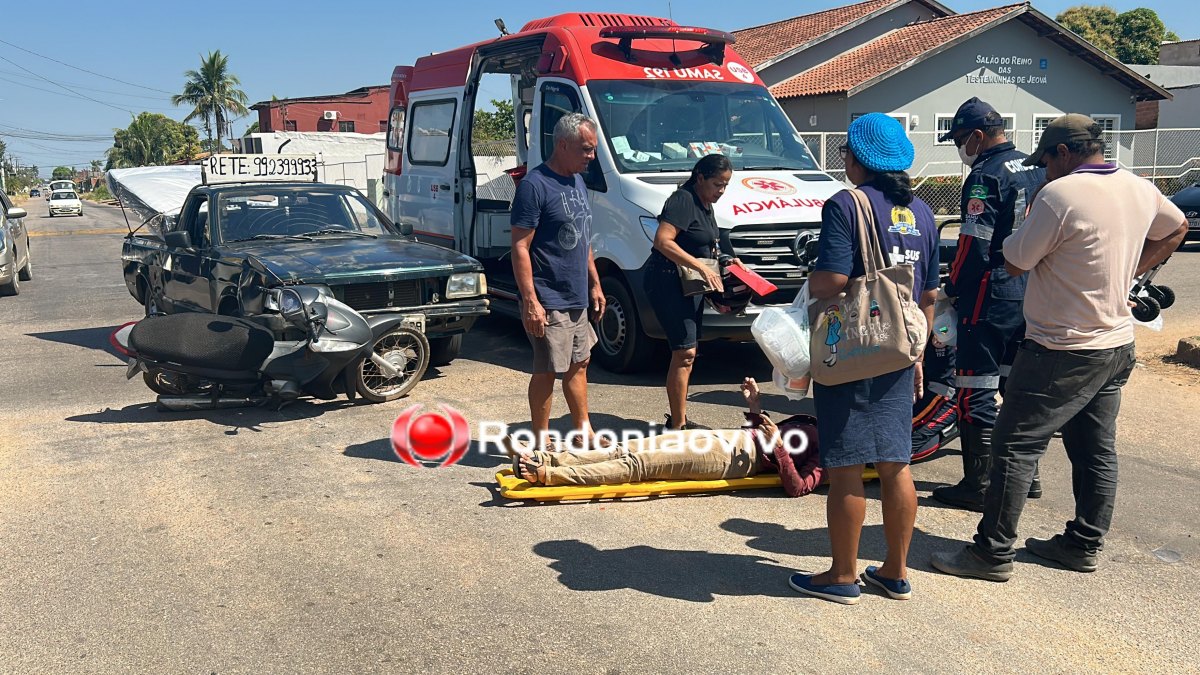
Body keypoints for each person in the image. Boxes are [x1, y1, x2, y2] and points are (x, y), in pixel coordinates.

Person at [931, 114, 1188, 581]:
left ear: (1065, 153)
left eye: (1046, 160)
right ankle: (1082, 544)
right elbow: (1175, 229)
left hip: (1059, 347)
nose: (1043, 170)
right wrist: (1132, 274)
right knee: (1095, 449)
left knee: (1013, 445)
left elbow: (1014, 258)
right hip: (1115, 343)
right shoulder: (1138, 186)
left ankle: (991, 553)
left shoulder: (1060, 194)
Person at [788, 113, 938, 605]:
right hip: (900, 350)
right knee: (896, 463)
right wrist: (916, 350)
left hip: (852, 350)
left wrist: (807, 285)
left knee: (848, 466)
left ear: (856, 158)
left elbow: (831, 282)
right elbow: (929, 293)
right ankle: (895, 571)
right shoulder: (922, 211)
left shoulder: (845, 205)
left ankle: (843, 575)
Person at [934, 97, 1047, 511]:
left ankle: (978, 484)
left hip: (990, 289)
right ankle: (1025, 476)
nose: (960, 148)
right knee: (1016, 385)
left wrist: (954, 288)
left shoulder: (984, 177)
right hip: (1031, 288)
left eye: (961, 140)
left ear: (978, 135)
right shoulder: (1034, 166)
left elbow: (973, 245)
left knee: (974, 387)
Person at [509, 378, 822, 497]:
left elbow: (798, 487)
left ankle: (550, 475)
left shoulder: (833, 451)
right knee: (623, 449)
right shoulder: (818, 424)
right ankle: (545, 458)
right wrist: (755, 408)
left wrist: (779, 447)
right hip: (730, 439)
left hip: (732, 459)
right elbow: (768, 433)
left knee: (639, 465)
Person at [510, 112, 606, 450]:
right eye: (585, 149)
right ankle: (540, 439)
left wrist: (594, 282)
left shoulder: (577, 180)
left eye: (592, 149)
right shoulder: (535, 186)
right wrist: (531, 301)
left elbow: (583, 236)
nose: (591, 157)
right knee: (547, 369)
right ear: (563, 145)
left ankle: (584, 430)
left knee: (580, 363)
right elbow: (520, 247)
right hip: (548, 296)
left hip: (576, 292)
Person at [644, 154, 739, 430]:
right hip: (667, 280)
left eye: (725, 186)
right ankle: (677, 425)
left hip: (689, 284)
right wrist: (701, 266)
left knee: (689, 352)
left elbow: (710, 242)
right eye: (717, 184)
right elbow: (662, 241)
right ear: (700, 178)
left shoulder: (705, 203)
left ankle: (679, 418)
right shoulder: (683, 200)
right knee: (684, 352)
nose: (721, 191)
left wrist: (729, 261)